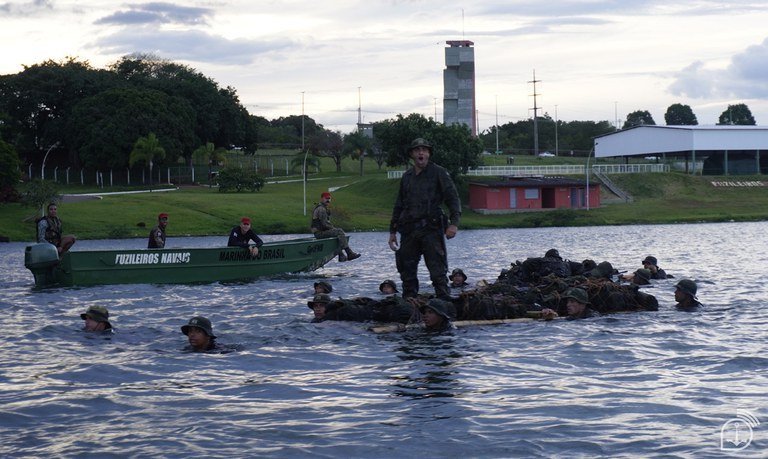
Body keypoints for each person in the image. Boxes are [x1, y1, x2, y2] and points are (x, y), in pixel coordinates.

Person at [388, 138, 461, 300]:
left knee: (438, 272)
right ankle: (409, 303)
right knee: (406, 271)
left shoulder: (439, 172)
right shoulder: (407, 177)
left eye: (424, 150)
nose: (421, 152)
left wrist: (454, 224)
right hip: (409, 231)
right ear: (412, 154)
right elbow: (399, 205)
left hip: (431, 230)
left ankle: (444, 303)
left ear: (429, 154)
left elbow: (453, 198)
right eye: (417, 150)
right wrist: (392, 231)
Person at [310, 192, 361, 262]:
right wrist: (334, 229)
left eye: (329, 199)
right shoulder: (321, 209)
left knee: (337, 235)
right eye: (326, 198)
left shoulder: (323, 208)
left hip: (321, 232)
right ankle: (349, 253)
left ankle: (341, 255)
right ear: (321, 199)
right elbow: (325, 223)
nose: (328, 200)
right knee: (339, 231)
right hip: (319, 233)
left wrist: (333, 230)